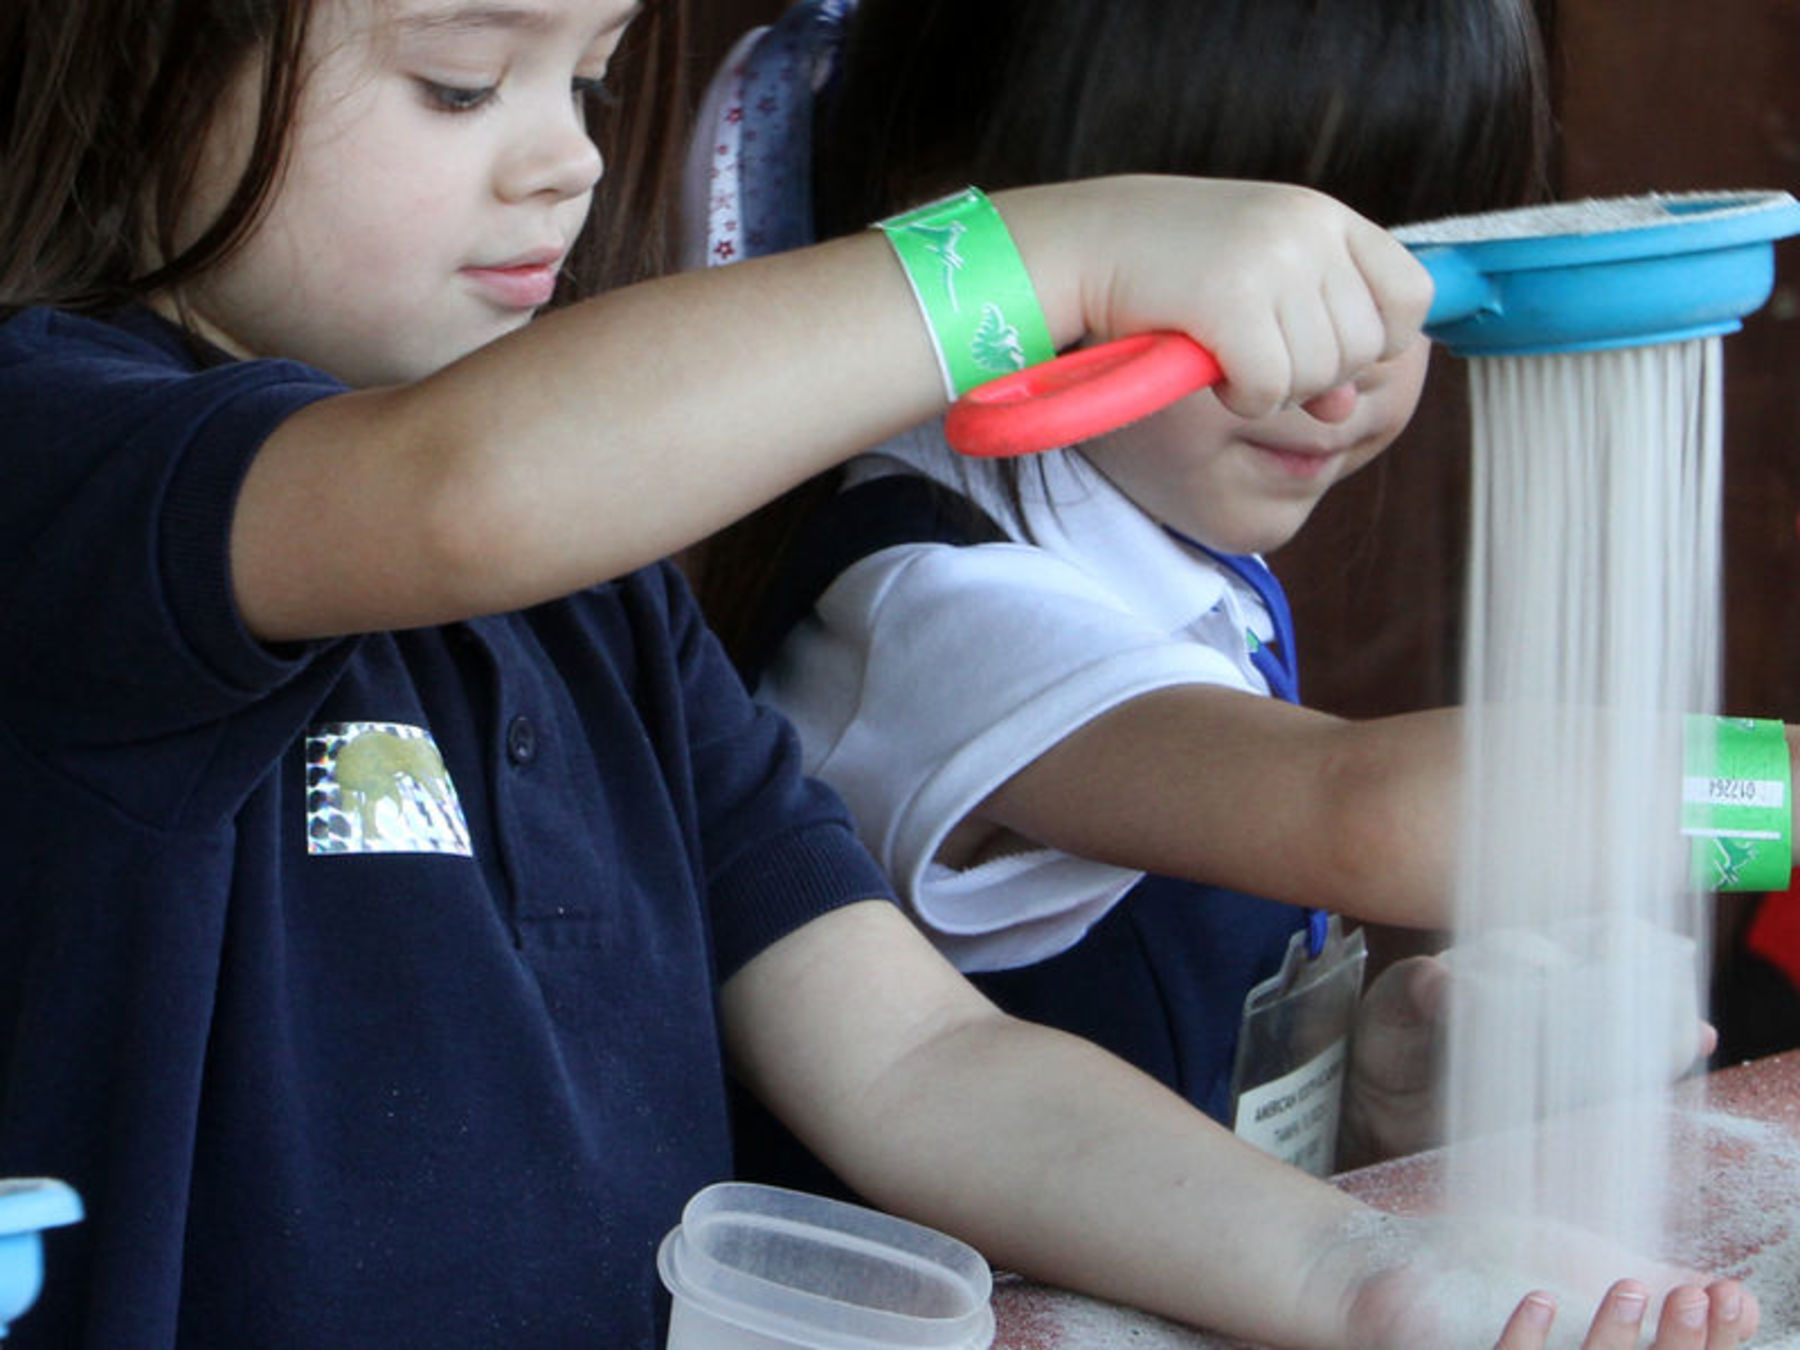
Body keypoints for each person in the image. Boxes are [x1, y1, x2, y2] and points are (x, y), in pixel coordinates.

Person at [0, 0, 1756, 1347]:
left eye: (592, 81)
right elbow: (462, 489)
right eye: (463, 83)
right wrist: (1049, 258)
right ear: (140, 60)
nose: (568, 163)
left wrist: (1363, 1273)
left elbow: (919, 1062)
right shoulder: (59, 455)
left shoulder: (598, 601)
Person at [689, 0, 1792, 1185]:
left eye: (1416, 269)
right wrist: (1774, 796)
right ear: (1004, 232)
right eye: (1254, 286)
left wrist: (1369, 1100)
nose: (1339, 377)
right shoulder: (930, 609)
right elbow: (1355, 809)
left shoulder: (1158, 537)